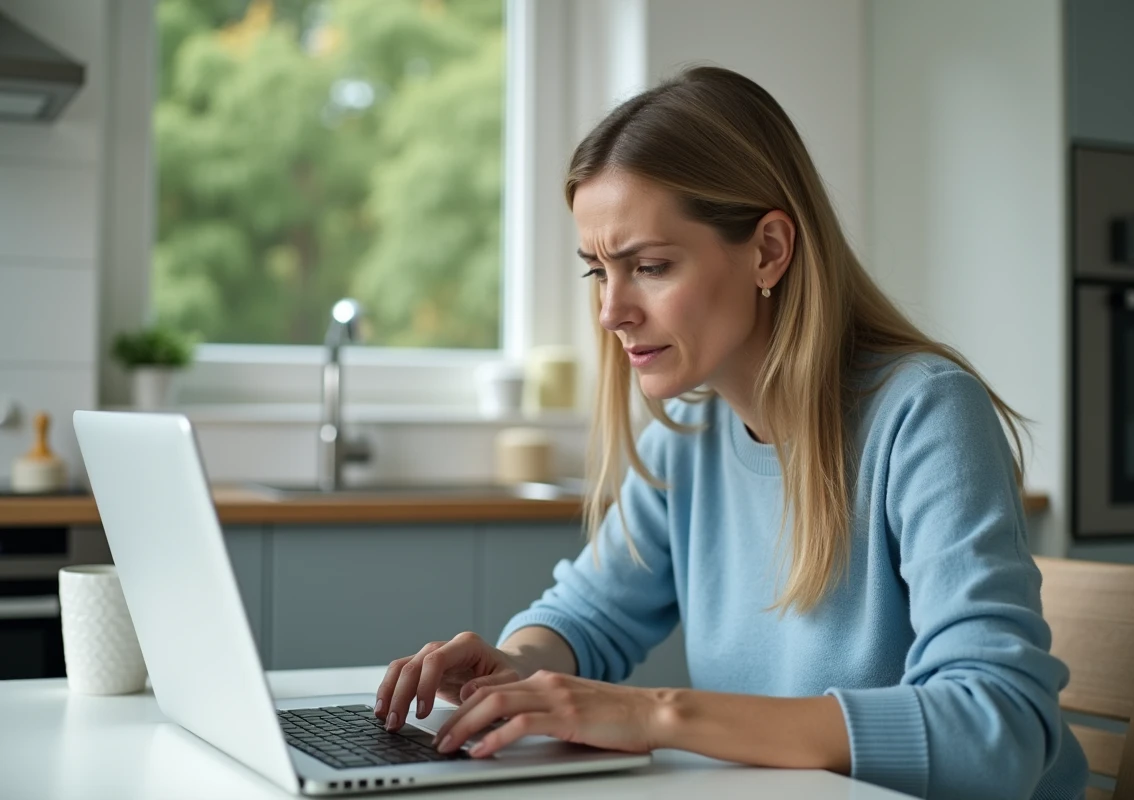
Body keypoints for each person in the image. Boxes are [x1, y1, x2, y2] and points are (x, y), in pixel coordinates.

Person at [374, 66, 1088, 800]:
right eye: (597, 272)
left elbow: (994, 732)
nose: (610, 312)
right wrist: (517, 667)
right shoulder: (689, 433)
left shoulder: (927, 416)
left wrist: (658, 714)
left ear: (769, 250)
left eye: (649, 266)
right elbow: (588, 616)